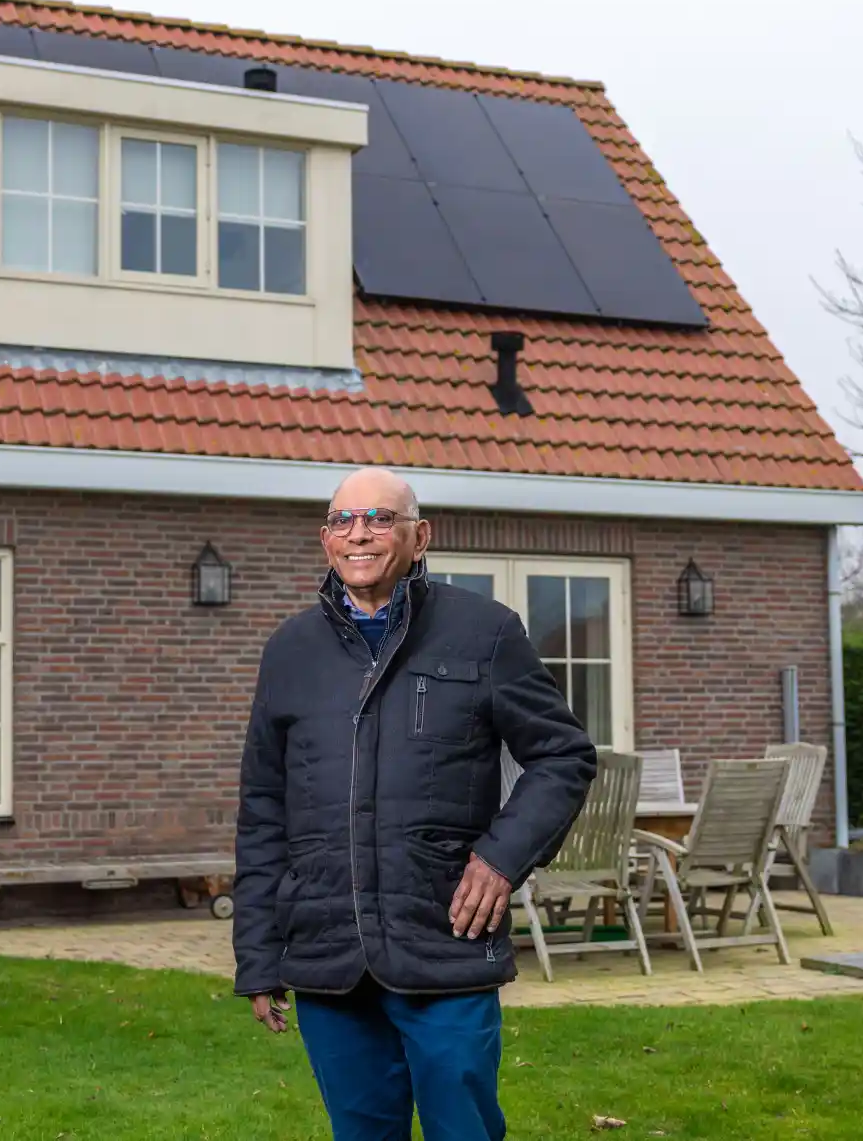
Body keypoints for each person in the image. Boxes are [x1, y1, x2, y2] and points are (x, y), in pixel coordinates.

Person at [233, 467, 597, 1141]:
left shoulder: (484, 632)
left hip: (444, 943)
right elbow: (263, 807)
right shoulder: (289, 651)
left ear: (419, 535)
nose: (360, 533)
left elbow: (563, 754)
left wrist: (501, 857)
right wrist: (257, 953)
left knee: (464, 1128)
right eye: (344, 520)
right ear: (325, 540)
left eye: (379, 517)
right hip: (328, 956)